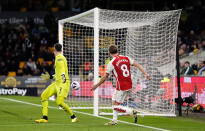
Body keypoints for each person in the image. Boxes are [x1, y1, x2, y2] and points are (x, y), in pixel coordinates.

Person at [91, 44, 150, 125]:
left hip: (121, 86)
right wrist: (145, 73)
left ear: (109, 52)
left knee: (115, 106)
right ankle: (114, 120)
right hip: (129, 84)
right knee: (114, 101)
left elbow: (105, 77)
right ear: (117, 50)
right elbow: (137, 64)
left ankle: (131, 111)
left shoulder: (112, 62)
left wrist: (96, 85)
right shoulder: (126, 58)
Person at [35, 43, 77, 123]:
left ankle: (73, 116)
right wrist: (50, 77)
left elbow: (62, 71)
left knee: (59, 102)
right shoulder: (59, 57)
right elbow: (59, 74)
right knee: (44, 96)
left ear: (54, 50)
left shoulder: (59, 58)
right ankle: (45, 118)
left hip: (63, 83)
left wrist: (64, 80)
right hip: (58, 82)